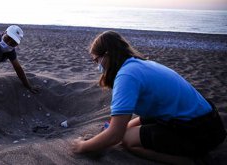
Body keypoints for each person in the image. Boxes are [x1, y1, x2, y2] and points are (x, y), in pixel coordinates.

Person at [71, 31, 226, 164]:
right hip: (209, 121)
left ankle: (192, 162)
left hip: (199, 131)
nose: (97, 64)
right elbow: (130, 123)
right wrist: (104, 136)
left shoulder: (127, 75)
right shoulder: (139, 65)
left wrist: (82, 147)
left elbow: (115, 135)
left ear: (106, 55)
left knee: (127, 140)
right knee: (127, 129)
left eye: (95, 59)